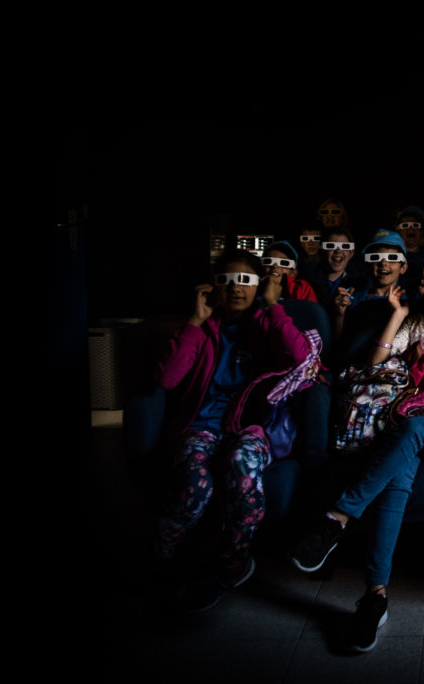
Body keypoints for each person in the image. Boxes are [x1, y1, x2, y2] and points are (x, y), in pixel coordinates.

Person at [289, 249, 424, 652]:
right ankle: (375, 595)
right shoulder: (416, 321)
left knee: (414, 433)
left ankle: (338, 516)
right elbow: (375, 362)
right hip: (402, 424)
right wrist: (397, 315)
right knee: (397, 479)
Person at [153, 249, 312, 610]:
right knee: (195, 486)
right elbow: (168, 378)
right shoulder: (203, 327)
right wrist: (194, 321)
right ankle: (164, 554)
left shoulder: (265, 323)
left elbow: (302, 358)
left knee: (242, 466)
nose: (236, 289)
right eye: (226, 281)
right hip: (201, 425)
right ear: (214, 288)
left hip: (250, 425)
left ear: (259, 285)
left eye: (245, 281)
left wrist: (274, 306)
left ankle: (233, 559)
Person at [330, 229, 410, 366]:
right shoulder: (353, 298)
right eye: (375, 257)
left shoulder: (409, 303)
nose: (383, 263)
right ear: (367, 265)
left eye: (392, 258)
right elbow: (340, 345)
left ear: (403, 267)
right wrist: (339, 314)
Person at [307, 228, 367, 305]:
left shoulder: (360, 286)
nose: (338, 251)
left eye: (345, 246)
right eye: (331, 246)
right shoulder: (308, 284)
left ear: (351, 253)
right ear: (322, 252)